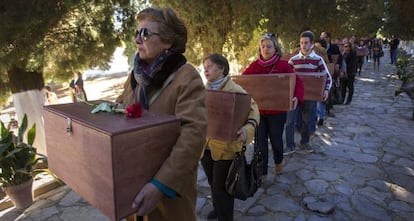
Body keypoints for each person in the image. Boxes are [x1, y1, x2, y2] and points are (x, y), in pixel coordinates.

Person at [117, 7, 207, 221]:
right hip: (134, 185)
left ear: (167, 41)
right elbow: (122, 109)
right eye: (137, 34)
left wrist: (160, 185)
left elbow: (193, 135)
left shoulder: (186, 76)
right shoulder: (135, 77)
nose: (138, 40)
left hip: (169, 195)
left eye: (145, 34)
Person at [201, 53, 259, 221]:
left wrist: (247, 130)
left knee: (222, 187)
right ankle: (218, 209)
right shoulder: (203, 90)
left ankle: (225, 217)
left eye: (210, 66)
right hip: (205, 146)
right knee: (213, 183)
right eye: (204, 67)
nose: (206, 69)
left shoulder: (236, 90)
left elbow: (254, 111)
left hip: (227, 148)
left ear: (222, 68)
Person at [242, 33, 304, 175]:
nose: (266, 49)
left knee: (276, 141)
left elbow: (297, 81)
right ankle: (261, 172)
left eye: (269, 46)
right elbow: (242, 81)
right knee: (260, 144)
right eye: (263, 46)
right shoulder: (254, 66)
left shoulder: (283, 66)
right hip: (259, 112)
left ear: (275, 48)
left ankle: (278, 161)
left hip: (277, 112)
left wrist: (296, 97)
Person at [288, 31, 332, 153]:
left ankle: (305, 142)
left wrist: (326, 90)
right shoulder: (293, 60)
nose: (303, 45)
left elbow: (327, 76)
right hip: (295, 96)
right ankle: (289, 145)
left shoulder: (318, 60)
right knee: (290, 121)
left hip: (310, 96)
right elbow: (286, 76)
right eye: (301, 43)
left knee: (307, 120)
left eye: (306, 43)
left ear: (312, 44)